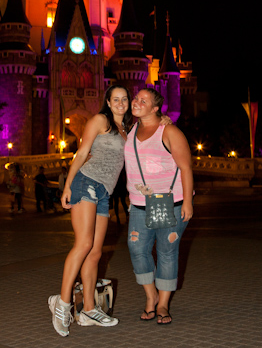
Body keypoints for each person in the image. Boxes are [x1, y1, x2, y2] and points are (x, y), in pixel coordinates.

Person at [48, 85, 132, 337]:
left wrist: (163, 119)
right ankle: (62, 305)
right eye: (115, 99)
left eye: (124, 99)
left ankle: (88, 309)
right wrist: (68, 186)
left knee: (95, 251)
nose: (120, 103)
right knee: (83, 244)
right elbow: (82, 152)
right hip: (86, 182)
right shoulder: (100, 120)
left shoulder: (127, 130)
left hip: (104, 191)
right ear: (107, 100)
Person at [124, 88, 193, 325]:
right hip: (139, 204)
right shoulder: (130, 129)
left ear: (155, 108)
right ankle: (150, 295)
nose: (136, 102)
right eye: (135, 98)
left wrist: (188, 203)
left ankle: (163, 304)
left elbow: (186, 167)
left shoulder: (169, 131)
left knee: (166, 252)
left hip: (170, 203)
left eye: (143, 100)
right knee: (136, 249)